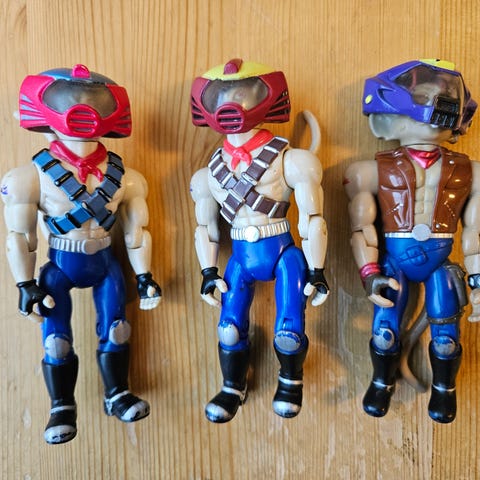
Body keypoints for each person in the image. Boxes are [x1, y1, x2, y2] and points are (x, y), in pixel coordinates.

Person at [1, 64, 162, 444]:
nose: (82, 111)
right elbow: (20, 235)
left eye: (95, 101)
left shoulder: (126, 177)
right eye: (67, 101)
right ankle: (61, 406)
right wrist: (25, 284)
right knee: (55, 340)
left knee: (118, 329)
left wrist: (144, 276)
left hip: (105, 263)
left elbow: (137, 232)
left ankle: (117, 392)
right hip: (59, 266)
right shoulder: (29, 177)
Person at [189, 59, 329, 423]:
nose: (232, 105)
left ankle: (291, 381)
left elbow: (313, 219)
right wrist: (208, 271)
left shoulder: (291, 160)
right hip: (240, 257)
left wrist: (317, 270)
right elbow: (205, 228)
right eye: (222, 96)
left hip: (283, 252)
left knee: (289, 329)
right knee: (228, 329)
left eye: (243, 95)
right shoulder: (208, 174)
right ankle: (232, 386)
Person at [344, 59, 480, 423]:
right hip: (394, 263)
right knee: (384, 332)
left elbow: (475, 232)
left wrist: (477, 279)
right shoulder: (369, 171)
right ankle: (381, 380)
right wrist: (369, 272)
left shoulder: (470, 172)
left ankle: (444, 389)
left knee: (446, 338)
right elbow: (361, 227)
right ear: (384, 120)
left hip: (440, 263)